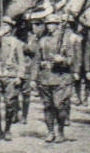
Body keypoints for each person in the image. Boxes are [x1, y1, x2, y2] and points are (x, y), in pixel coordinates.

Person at [34, 14, 80, 143]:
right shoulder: (42, 40)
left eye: (52, 23)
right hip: (45, 77)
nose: (50, 26)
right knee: (47, 105)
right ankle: (50, 132)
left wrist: (62, 60)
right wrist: (33, 79)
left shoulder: (66, 40)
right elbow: (37, 60)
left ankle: (60, 131)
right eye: (48, 24)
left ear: (58, 25)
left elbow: (71, 59)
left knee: (59, 105)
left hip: (61, 77)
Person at [0, 18, 26, 140]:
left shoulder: (16, 42)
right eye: (2, 24)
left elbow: (21, 61)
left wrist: (20, 75)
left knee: (10, 104)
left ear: (11, 28)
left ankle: (7, 129)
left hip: (10, 76)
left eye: (6, 25)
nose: (3, 27)